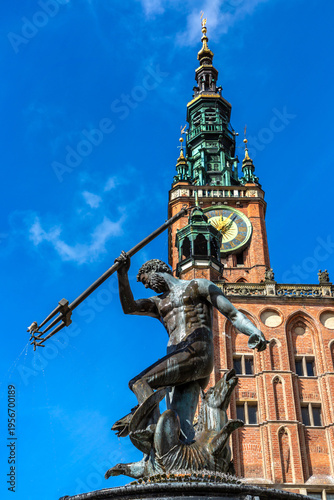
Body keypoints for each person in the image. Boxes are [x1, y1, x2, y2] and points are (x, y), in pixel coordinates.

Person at [113, 251, 267, 437]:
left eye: (146, 280)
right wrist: (121, 274)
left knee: (139, 382)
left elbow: (233, 314)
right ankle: (190, 456)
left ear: (156, 269)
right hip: (179, 362)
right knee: (179, 428)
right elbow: (129, 307)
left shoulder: (197, 286)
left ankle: (148, 426)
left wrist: (253, 331)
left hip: (196, 352)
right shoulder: (158, 303)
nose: (147, 286)